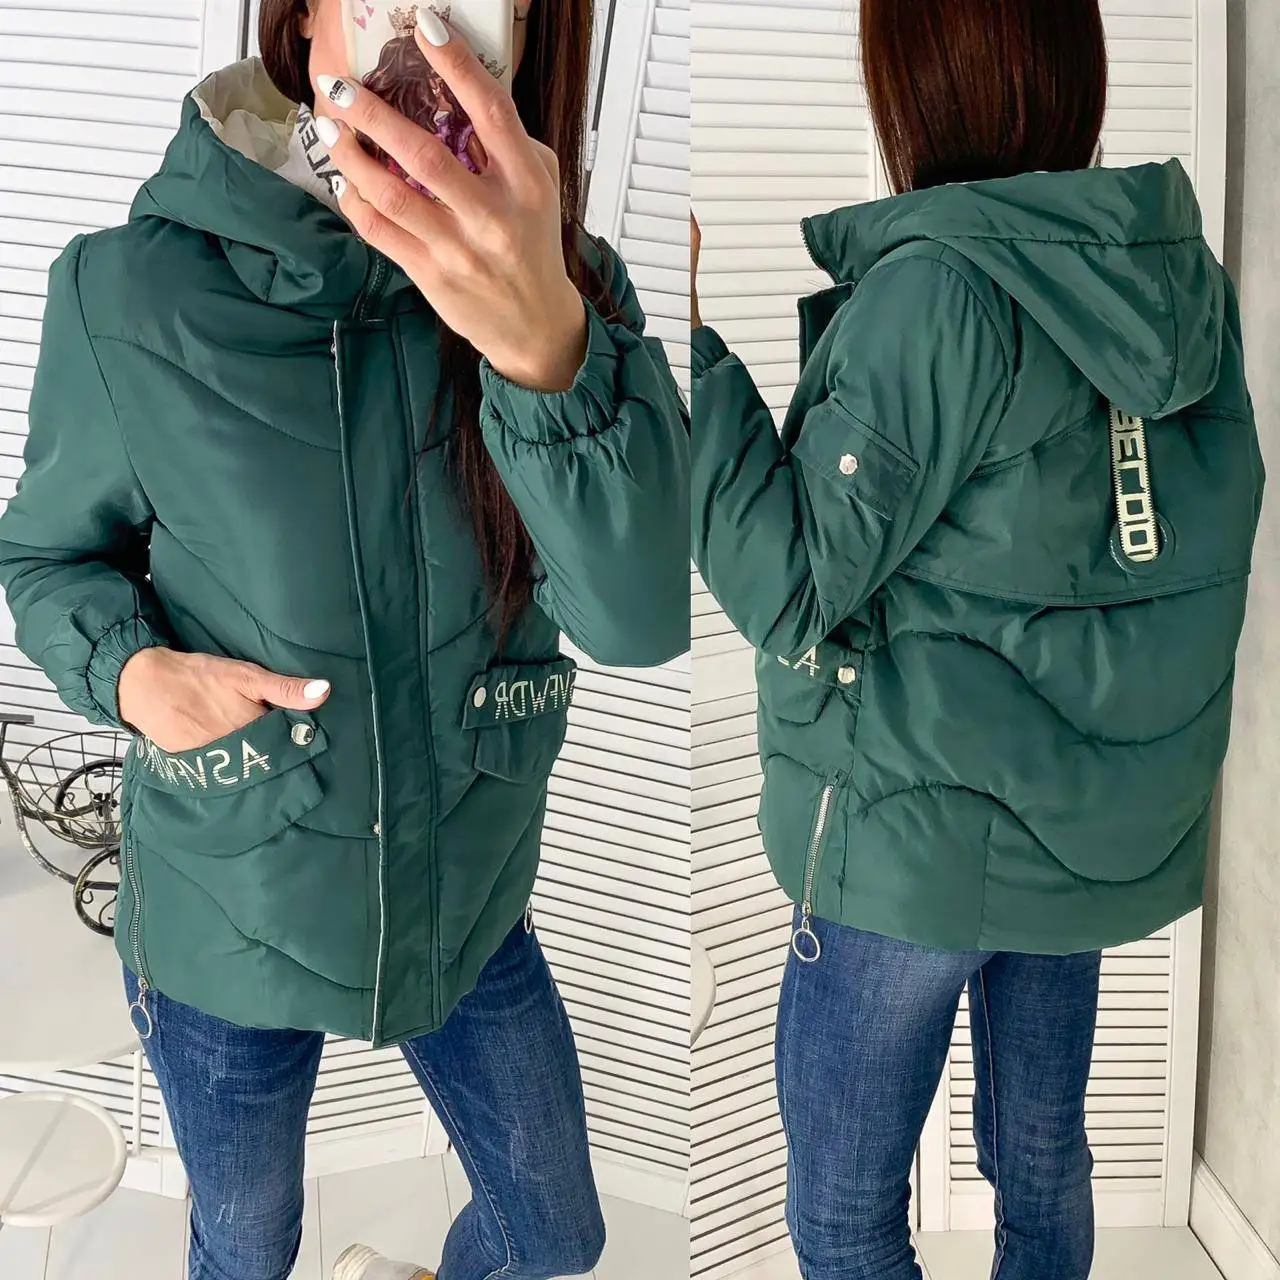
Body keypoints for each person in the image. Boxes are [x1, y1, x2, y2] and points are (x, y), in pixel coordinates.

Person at [0, 1, 689, 1277]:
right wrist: (137, 675)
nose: (426, 21)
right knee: (246, 1240)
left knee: (554, 1230)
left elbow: (636, 619)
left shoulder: (571, 287)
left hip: (463, 889)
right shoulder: (127, 289)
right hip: (228, 896)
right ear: (306, 8)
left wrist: (542, 345)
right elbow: (46, 556)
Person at [690, 0, 1262, 1277]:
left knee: (842, 1213)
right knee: (1042, 1161)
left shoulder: (939, 289)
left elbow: (787, 586)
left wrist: (692, 360)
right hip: (1081, 837)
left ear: (916, 80)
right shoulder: (1172, 287)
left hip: (912, 842)